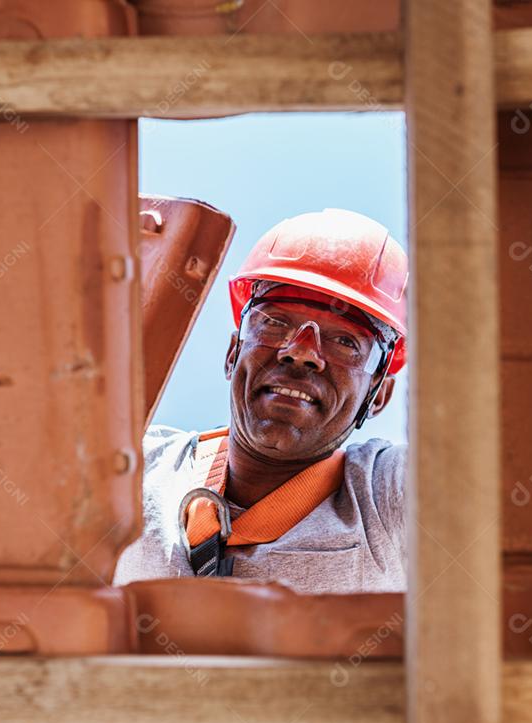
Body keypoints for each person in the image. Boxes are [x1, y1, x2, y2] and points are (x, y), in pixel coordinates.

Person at [113, 208, 408, 593]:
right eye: (273, 322)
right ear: (233, 353)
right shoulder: (134, 471)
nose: (302, 351)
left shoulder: (384, 498)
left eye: (346, 341)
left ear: (378, 394)